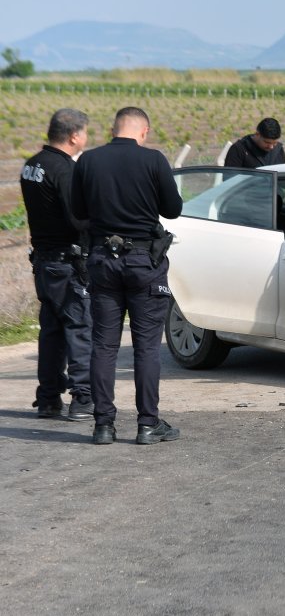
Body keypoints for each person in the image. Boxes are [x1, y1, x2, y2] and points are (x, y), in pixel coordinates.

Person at [71, 106, 184, 446]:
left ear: (113, 128)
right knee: (146, 347)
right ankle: (148, 424)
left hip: (103, 259)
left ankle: (103, 425)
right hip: (143, 262)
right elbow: (173, 209)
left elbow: (77, 213)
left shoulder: (88, 161)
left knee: (103, 346)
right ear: (143, 131)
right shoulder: (153, 161)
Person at [21, 108, 94, 421]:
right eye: (86, 133)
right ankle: (83, 399)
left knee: (51, 332)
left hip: (43, 261)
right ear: (75, 135)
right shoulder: (64, 169)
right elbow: (76, 218)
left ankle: (49, 397)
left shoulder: (32, 165)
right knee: (79, 329)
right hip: (66, 262)